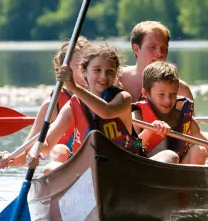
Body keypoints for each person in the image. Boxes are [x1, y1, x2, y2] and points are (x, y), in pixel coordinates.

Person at [117, 21, 208, 144]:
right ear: (136, 49)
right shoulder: (115, 78)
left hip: (160, 156)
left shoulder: (180, 90)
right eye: (152, 47)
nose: (160, 53)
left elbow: (195, 138)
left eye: (164, 48)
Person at [26, 42, 140, 171]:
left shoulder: (123, 98)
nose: (104, 76)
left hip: (122, 165)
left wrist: (73, 87)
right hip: (87, 168)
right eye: (97, 70)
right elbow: (47, 143)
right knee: (50, 168)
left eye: (110, 71)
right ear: (83, 71)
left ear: (116, 74)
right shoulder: (72, 106)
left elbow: (106, 112)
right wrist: (35, 150)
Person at [0, 37, 91, 170]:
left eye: (88, 65)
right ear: (61, 71)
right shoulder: (51, 105)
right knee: (59, 149)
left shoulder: (102, 97)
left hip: (96, 160)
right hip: (66, 165)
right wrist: (9, 159)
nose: (85, 71)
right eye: (79, 66)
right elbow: (27, 154)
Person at [132, 61, 208, 165]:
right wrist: (149, 130)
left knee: (199, 150)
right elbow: (134, 147)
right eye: (161, 95)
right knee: (170, 156)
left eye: (173, 94)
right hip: (146, 168)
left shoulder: (187, 122)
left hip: (178, 173)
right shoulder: (138, 116)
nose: (168, 100)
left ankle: (190, 182)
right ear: (145, 93)